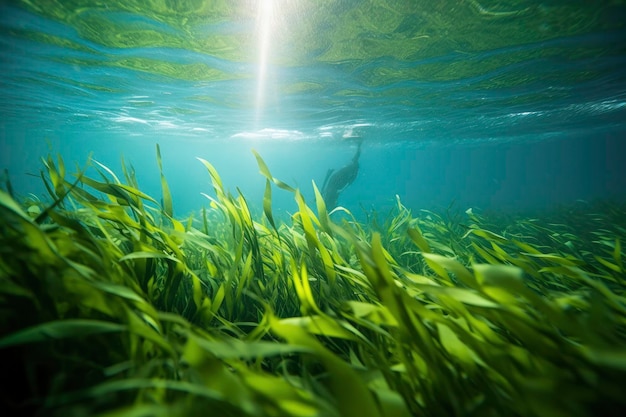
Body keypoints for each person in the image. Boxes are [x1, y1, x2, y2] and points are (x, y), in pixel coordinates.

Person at [321, 139, 362, 208]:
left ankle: (359, 144)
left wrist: (328, 175)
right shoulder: (352, 170)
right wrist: (328, 175)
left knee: (329, 196)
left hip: (337, 182)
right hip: (337, 183)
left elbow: (323, 189)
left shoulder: (352, 170)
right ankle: (359, 143)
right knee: (329, 197)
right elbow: (349, 182)